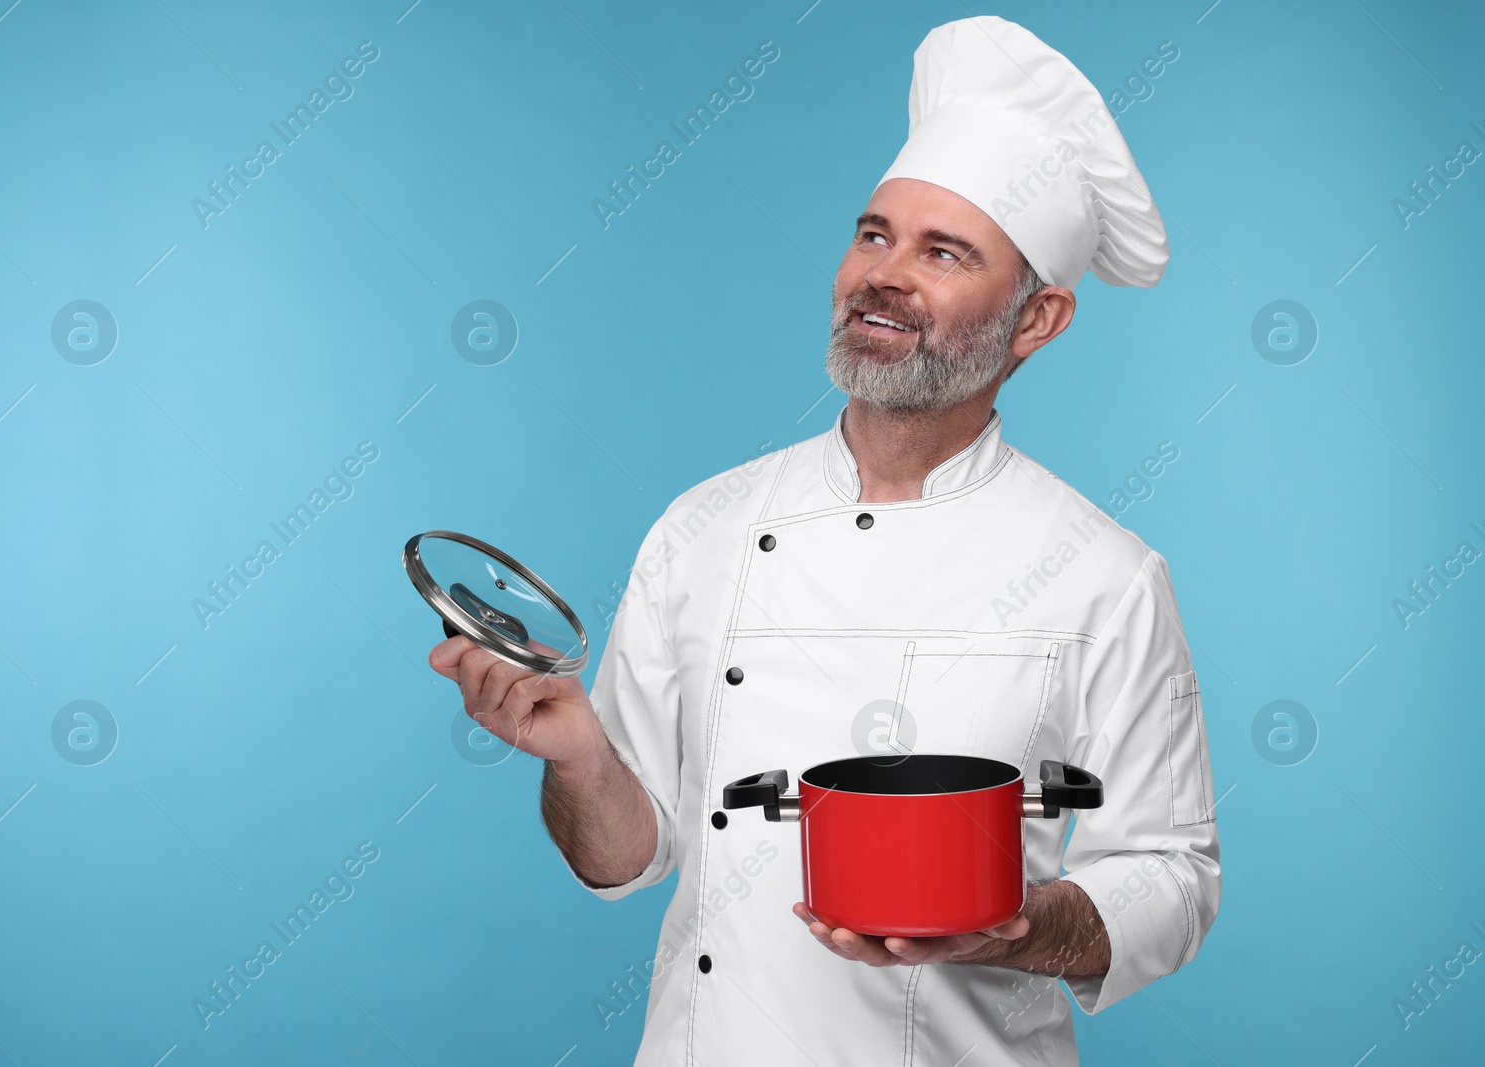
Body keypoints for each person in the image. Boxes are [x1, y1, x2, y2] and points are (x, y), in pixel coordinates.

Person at [431, 15, 1219, 1066]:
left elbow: (1172, 871)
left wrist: (1027, 926)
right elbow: (624, 856)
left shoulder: (1104, 576)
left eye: (944, 252)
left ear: (1038, 321)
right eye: (874, 234)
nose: (883, 275)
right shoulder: (703, 524)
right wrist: (578, 756)